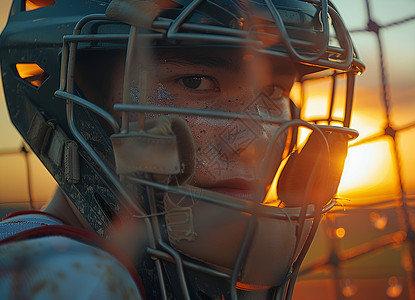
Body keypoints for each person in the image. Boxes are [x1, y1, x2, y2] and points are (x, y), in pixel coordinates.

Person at [0, 0, 364, 299]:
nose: (252, 144)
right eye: (195, 82)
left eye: (272, 93)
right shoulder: (76, 280)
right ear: (78, 100)